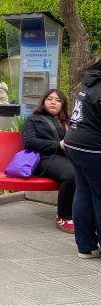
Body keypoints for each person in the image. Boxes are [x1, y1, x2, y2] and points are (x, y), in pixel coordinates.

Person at [21, 89, 75, 233]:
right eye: (50, 99)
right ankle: (64, 216)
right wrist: (57, 145)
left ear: (63, 104)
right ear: (43, 101)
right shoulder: (33, 119)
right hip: (44, 159)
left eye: (58, 100)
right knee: (72, 175)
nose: (53, 102)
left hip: (68, 158)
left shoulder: (68, 121)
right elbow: (29, 142)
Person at [65, 58, 101, 259]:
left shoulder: (92, 81)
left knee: (84, 193)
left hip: (74, 143)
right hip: (94, 148)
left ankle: (86, 247)